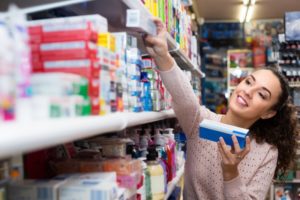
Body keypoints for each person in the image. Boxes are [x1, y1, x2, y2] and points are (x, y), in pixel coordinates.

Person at [144, 18, 298, 200]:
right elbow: (183, 96)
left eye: (262, 95)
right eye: (249, 82)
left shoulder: (266, 152)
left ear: (268, 113)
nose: (248, 91)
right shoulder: (201, 123)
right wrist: (163, 54)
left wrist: (231, 172)